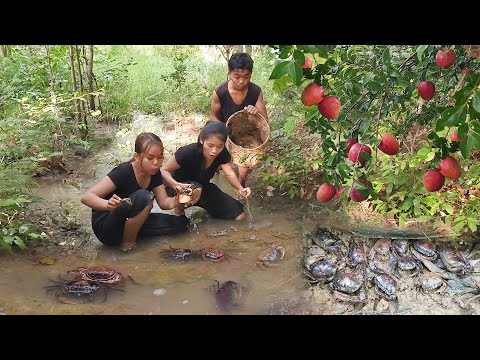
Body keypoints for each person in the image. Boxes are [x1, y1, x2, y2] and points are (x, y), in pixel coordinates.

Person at [80, 132, 189, 252]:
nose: (156, 163)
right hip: (107, 228)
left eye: (160, 157)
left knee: (181, 225)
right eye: (150, 158)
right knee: (145, 197)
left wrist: (177, 199)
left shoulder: (155, 173)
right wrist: (107, 204)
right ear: (137, 157)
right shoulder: (123, 172)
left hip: (131, 222)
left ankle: (134, 235)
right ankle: (128, 245)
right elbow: (87, 197)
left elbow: (163, 203)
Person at [161, 121, 252, 221]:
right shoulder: (187, 152)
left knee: (239, 216)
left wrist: (240, 188)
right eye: (210, 145)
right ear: (201, 140)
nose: (214, 151)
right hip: (177, 187)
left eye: (219, 146)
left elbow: (229, 173)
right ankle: (179, 210)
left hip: (203, 187)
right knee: (196, 189)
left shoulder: (222, 154)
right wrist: (176, 185)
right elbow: (163, 170)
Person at [209, 52, 268, 187]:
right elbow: (213, 116)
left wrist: (256, 113)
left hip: (245, 133)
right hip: (224, 129)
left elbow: (265, 120)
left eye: (246, 77)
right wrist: (223, 130)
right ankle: (215, 172)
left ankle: (241, 186)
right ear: (230, 73)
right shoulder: (220, 91)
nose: (241, 81)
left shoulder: (256, 91)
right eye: (237, 76)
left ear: (251, 75)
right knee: (215, 156)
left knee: (244, 159)